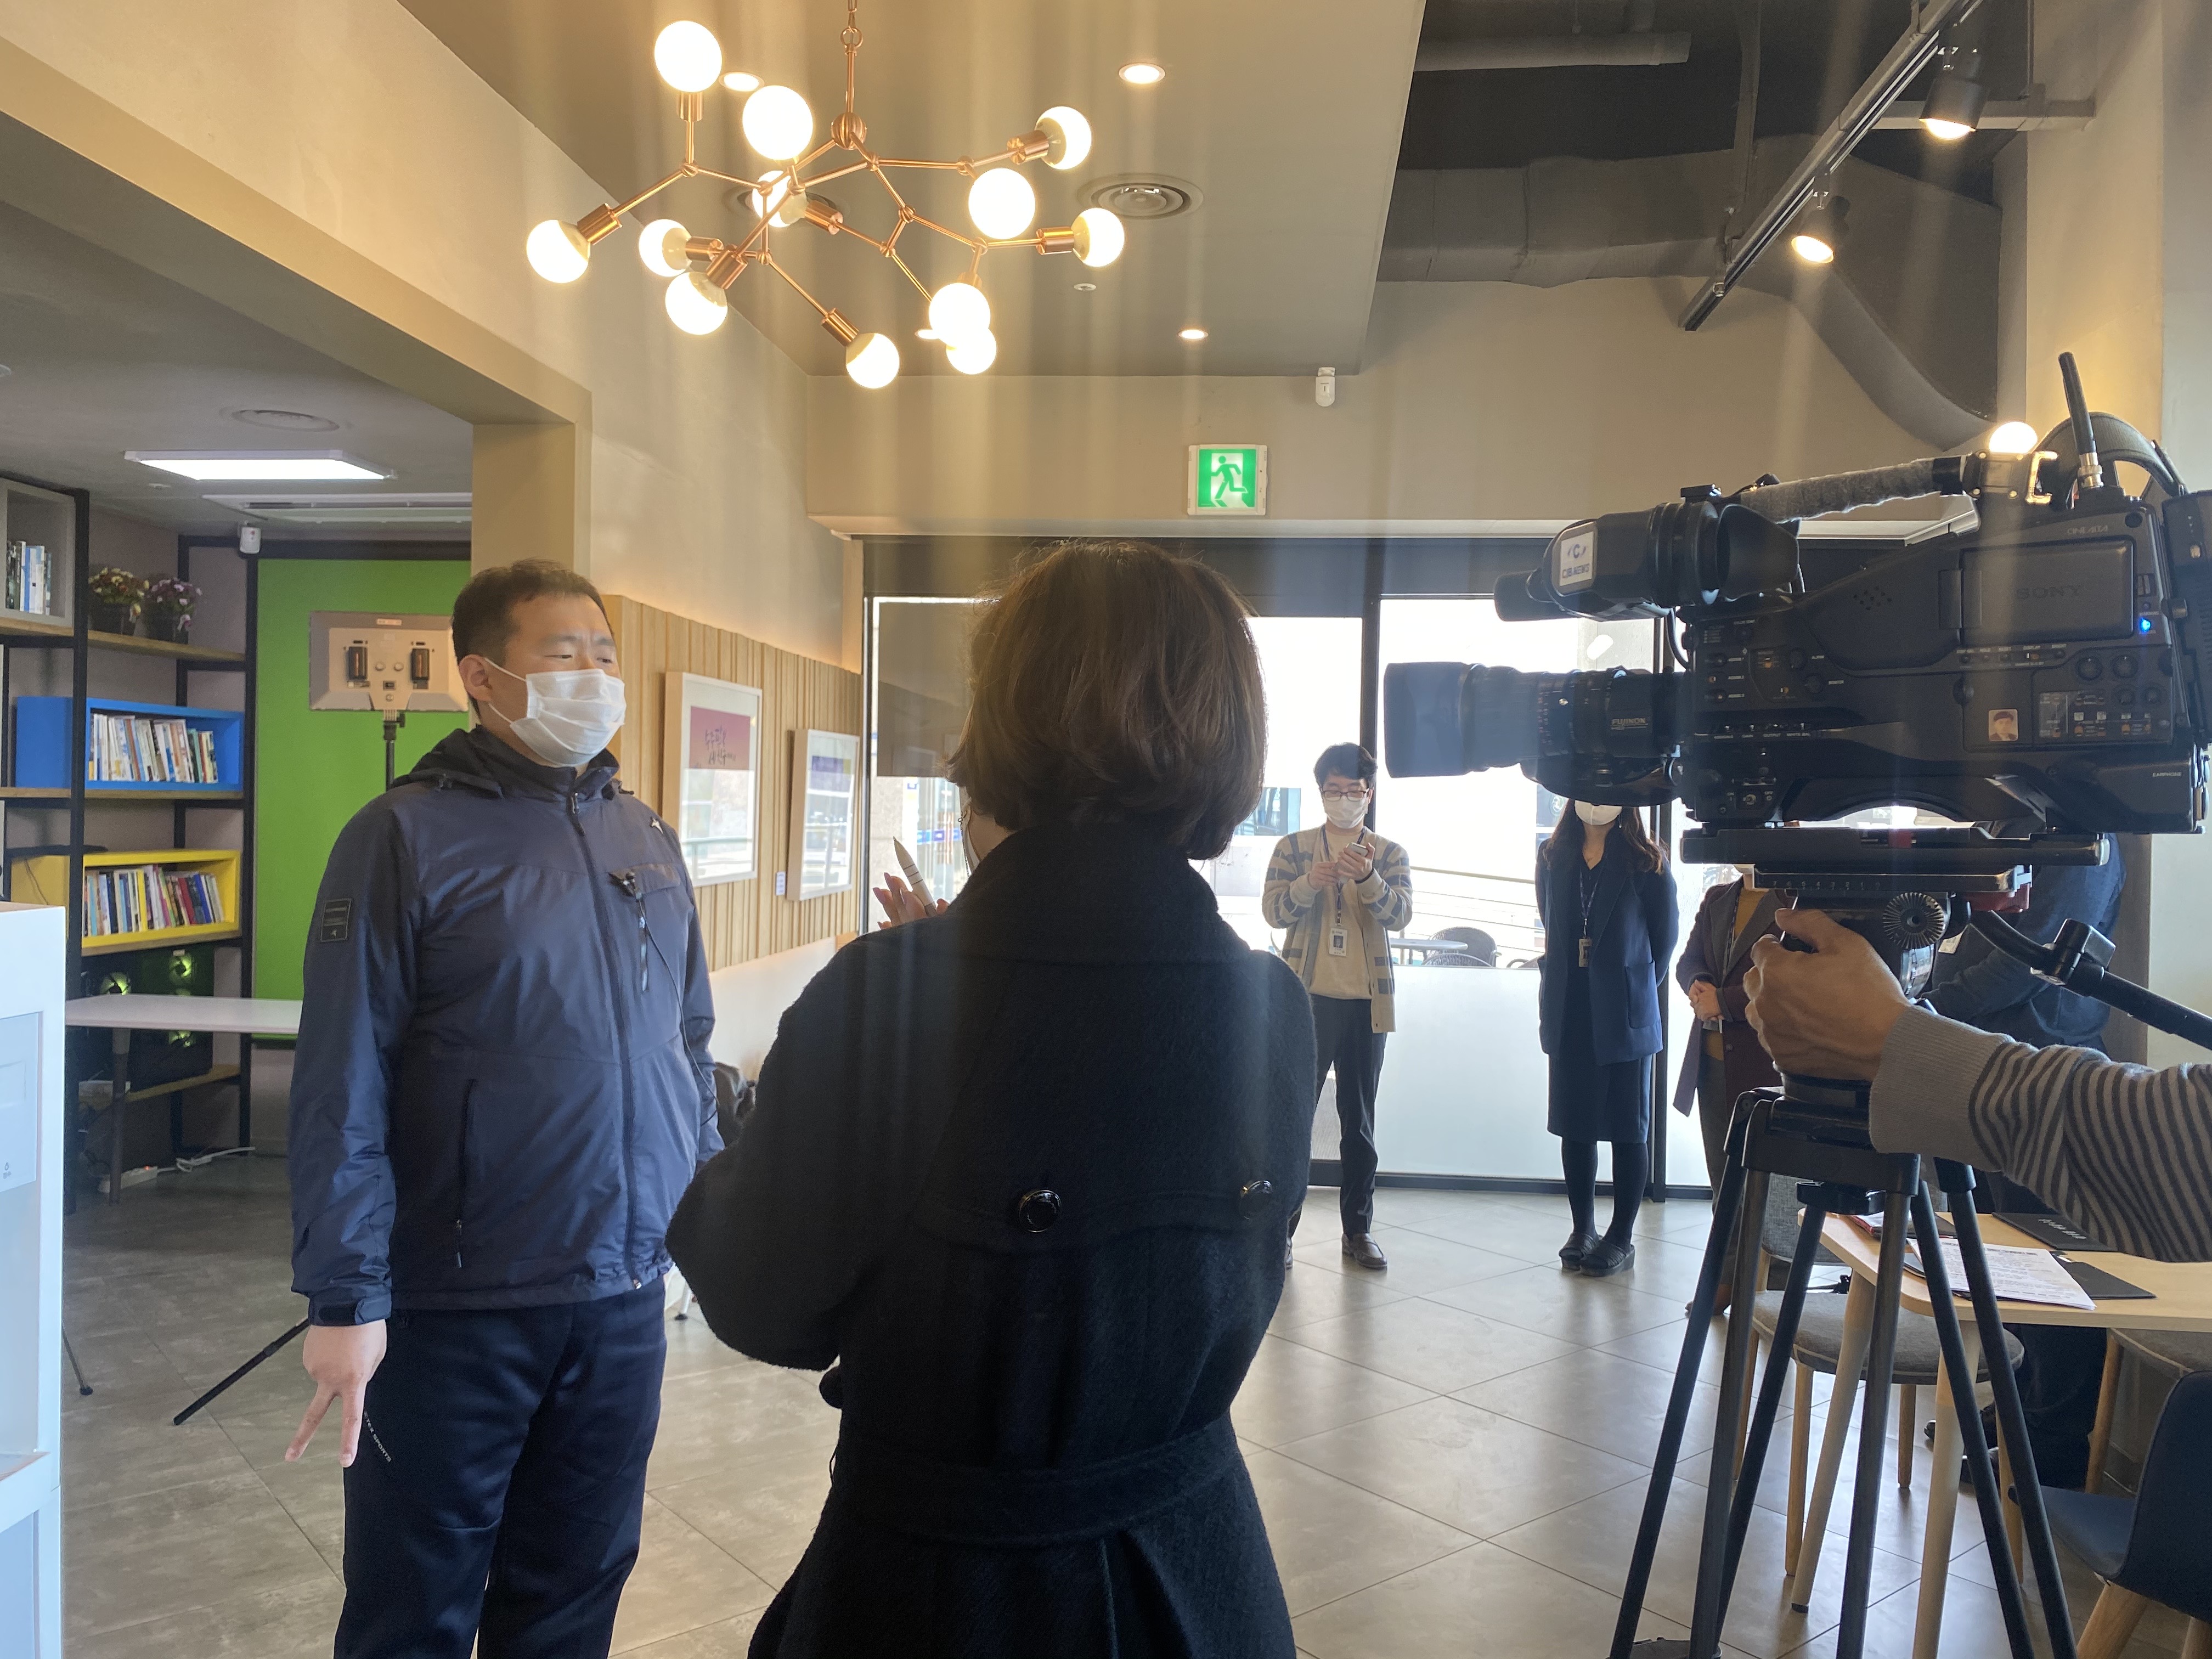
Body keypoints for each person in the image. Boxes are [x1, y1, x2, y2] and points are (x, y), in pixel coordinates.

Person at [666, 540, 1316, 1659]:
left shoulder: (891, 1000)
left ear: (1006, 716)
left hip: (945, 1583)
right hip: (1202, 1573)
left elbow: (763, 1301)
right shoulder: (1271, 1002)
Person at [285, 560, 720, 1659]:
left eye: (605, 653)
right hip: (459, 1301)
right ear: (481, 677)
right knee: (415, 1603)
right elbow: (343, 1075)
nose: (596, 676)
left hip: (622, 1295)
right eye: (564, 654)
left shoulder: (643, 833)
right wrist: (346, 1295)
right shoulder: (402, 836)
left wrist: (707, 1211)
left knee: (576, 1588)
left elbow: (687, 1039)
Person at [1743, 907, 2212, 1262]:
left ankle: (2041, 1370)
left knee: (2046, 1267)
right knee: (2000, 1256)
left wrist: (1899, 1035)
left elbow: (2185, 1158)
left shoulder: (2066, 846)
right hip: (1989, 1076)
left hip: (2013, 1063)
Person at [1922, 834, 2126, 1482]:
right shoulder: (2014, 831)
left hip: (2049, 1077)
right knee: (2010, 1268)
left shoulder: (2083, 840)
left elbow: (2030, 962)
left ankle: (2052, 1443)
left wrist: (1920, 1009)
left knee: (2057, 1276)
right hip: (1993, 1070)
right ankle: (2019, 1408)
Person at [1261, 743, 1414, 1271]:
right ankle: (1281, 1232)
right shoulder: (1294, 847)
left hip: (1368, 1005)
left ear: (1369, 795)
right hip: (1307, 1002)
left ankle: (1359, 1231)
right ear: (1321, 792)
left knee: (1360, 1122)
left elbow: (1400, 917)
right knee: (1294, 1118)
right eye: (1333, 790)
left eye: (1353, 791)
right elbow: (1274, 911)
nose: (1343, 799)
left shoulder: (1389, 853)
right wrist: (1311, 882)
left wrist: (1368, 879)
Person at [1538, 802, 1678, 1277]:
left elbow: (1663, 941)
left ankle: (1621, 1236)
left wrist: (1633, 986)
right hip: (1570, 1005)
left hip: (1625, 1010)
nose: (1595, 803)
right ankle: (1583, 1229)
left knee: (1627, 1127)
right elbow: (1551, 922)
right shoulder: (1553, 856)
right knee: (1574, 1124)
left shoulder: (1648, 862)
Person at [1671, 865, 1781, 1310]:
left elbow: (1788, 980)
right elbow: (1688, 960)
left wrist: (1726, 1001)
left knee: (1767, 1187)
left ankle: (1761, 1285)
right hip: (1712, 1064)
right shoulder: (1720, 898)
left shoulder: (1797, 901)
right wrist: (1698, 986)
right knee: (1724, 1182)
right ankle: (1726, 1275)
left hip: (1766, 1065)